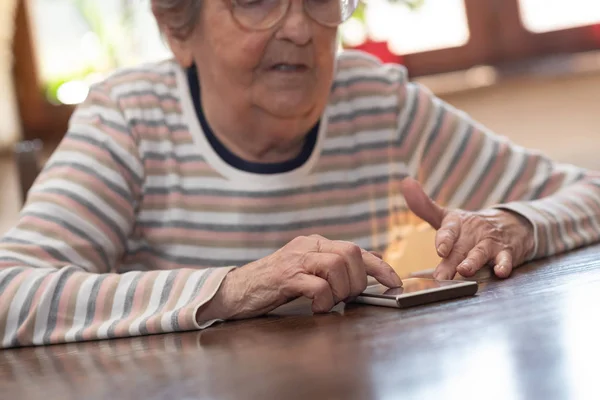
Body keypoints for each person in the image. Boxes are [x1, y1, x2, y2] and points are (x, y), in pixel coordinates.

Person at [1, 0, 599, 348]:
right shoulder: (130, 119)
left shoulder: (375, 103)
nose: (299, 27)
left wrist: (516, 224)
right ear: (178, 30)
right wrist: (233, 290)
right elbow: (9, 292)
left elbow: (590, 192)